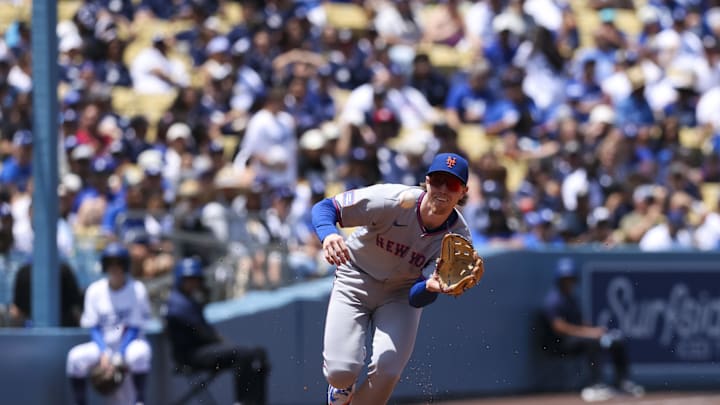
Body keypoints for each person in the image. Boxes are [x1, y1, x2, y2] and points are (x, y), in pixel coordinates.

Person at [311, 152, 484, 405]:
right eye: (438, 181)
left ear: (463, 191)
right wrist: (328, 235)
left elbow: (416, 299)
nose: (443, 190)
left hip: (400, 294)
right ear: (426, 181)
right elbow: (326, 207)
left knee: (388, 370)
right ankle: (342, 387)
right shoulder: (392, 199)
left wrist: (430, 287)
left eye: (453, 184)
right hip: (355, 278)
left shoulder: (457, 238)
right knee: (340, 373)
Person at [164, 257, 270, 405]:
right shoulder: (176, 302)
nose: (193, 283)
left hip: (205, 350)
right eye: (188, 279)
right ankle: (243, 402)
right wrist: (224, 343)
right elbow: (203, 334)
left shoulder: (191, 299)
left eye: (196, 279)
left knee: (258, 354)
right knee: (243, 354)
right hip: (190, 355)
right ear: (180, 280)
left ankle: (257, 402)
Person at [541, 257, 644, 401]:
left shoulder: (572, 298)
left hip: (578, 339)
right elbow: (559, 328)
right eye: (565, 279)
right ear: (559, 280)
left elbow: (581, 322)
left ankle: (622, 382)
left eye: (571, 279)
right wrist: (588, 333)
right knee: (592, 342)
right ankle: (595, 385)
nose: (568, 282)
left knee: (617, 340)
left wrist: (596, 330)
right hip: (561, 343)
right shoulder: (553, 300)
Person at [66, 242, 152, 405]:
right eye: (110, 263)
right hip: (102, 346)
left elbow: (134, 327)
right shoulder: (95, 290)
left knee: (140, 354)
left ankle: (140, 399)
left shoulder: (137, 289)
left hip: (129, 345)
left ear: (125, 265)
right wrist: (104, 352)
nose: (114, 267)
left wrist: (118, 355)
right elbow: (94, 326)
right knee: (75, 357)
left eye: (118, 263)